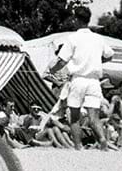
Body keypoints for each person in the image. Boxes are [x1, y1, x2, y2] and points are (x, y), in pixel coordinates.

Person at [48, 8, 115, 150]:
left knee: (74, 116)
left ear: (75, 19)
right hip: (94, 81)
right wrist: (98, 62)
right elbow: (110, 55)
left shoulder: (72, 38)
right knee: (94, 116)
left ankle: (78, 146)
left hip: (78, 79)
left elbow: (62, 61)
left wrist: (52, 70)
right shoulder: (98, 38)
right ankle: (102, 139)